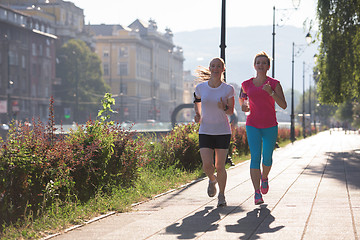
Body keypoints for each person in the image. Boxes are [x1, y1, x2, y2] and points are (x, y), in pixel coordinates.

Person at [239, 51, 287, 205]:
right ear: (254, 65)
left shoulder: (274, 83)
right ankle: (257, 193)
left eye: (264, 63)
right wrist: (244, 106)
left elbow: (284, 105)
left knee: (267, 158)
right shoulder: (246, 84)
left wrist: (271, 93)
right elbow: (243, 101)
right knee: (255, 158)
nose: (261, 65)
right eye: (258, 62)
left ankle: (264, 177)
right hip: (252, 124)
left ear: (268, 66)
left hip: (270, 125)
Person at [193, 57, 235, 207]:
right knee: (206, 165)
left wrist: (223, 106)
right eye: (213, 66)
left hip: (222, 131)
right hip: (205, 130)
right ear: (209, 68)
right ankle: (212, 179)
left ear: (223, 69)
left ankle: (222, 196)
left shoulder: (228, 89)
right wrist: (198, 115)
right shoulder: (201, 88)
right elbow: (197, 100)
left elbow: (230, 111)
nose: (215, 68)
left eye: (219, 66)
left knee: (220, 166)